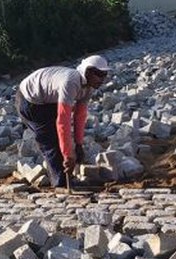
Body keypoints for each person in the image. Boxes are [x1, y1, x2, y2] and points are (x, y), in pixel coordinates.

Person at [15, 55, 110, 188]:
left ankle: (63, 177)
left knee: (61, 139)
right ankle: (61, 183)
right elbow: (63, 121)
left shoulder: (89, 87)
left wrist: (78, 144)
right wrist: (68, 155)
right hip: (29, 100)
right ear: (88, 72)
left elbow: (79, 116)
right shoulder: (70, 83)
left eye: (105, 75)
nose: (102, 79)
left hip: (47, 99)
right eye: (99, 74)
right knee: (50, 139)